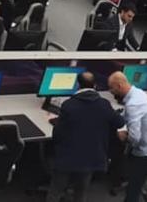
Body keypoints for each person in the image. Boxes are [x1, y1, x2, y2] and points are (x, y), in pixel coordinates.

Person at [47, 72, 125, 202]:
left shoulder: (69, 105)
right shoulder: (104, 104)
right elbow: (120, 123)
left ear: (78, 85)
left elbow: (58, 134)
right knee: (81, 192)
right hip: (92, 157)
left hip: (68, 158)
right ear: (95, 85)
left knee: (56, 191)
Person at [108, 71, 147, 202]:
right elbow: (126, 116)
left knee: (133, 191)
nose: (110, 91)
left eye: (111, 88)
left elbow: (135, 138)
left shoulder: (133, 104)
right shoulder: (138, 93)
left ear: (119, 86)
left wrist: (123, 136)